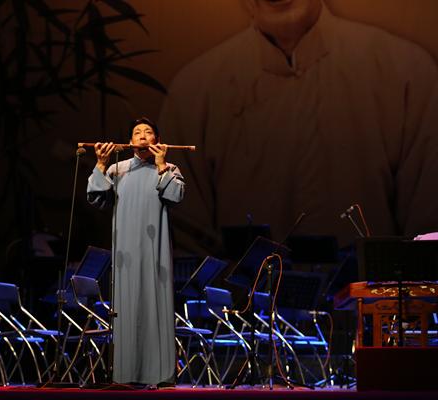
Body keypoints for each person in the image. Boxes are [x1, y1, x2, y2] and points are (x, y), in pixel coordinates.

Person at [158, 0, 438, 255]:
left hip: (373, 294)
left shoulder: (406, 74)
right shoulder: (195, 91)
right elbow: (182, 245)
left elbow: (428, 231)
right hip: (243, 296)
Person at [86, 117, 185, 387]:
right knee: (126, 307)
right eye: (137, 132)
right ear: (130, 141)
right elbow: (96, 199)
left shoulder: (169, 169)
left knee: (156, 305)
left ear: (157, 141)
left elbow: (176, 196)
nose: (142, 135)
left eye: (148, 132)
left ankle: (160, 375)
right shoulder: (118, 169)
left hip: (156, 253)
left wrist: (162, 165)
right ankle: (125, 374)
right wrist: (101, 164)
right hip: (126, 254)